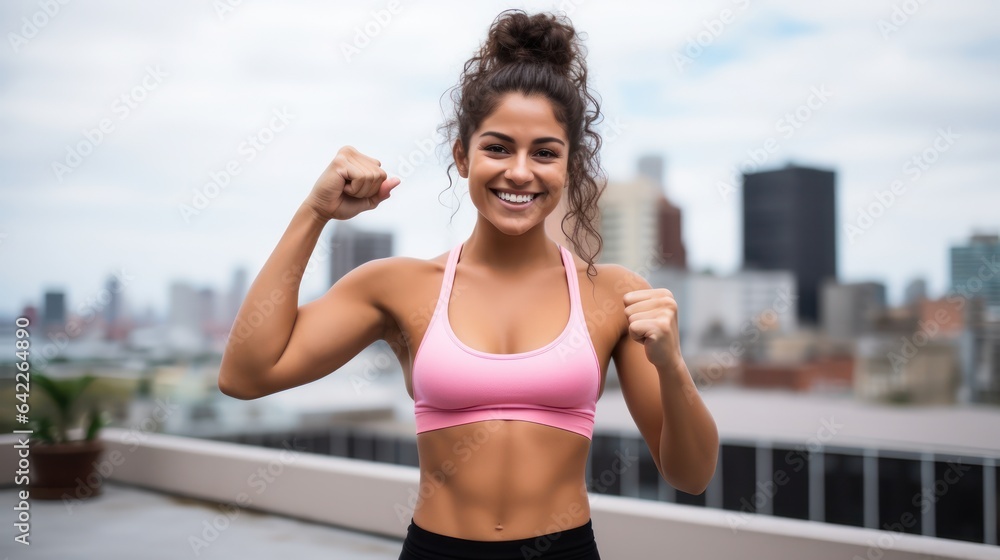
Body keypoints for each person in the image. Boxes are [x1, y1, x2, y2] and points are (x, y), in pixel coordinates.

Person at [218, 8, 719, 560]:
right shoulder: (399, 286)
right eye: (498, 148)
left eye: (545, 153)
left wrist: (672, 366)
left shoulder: (612, 293)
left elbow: (691, 475)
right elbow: (245, 375)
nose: (521, 172)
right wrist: (314, 211)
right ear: (462, 156)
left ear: (571, 166)